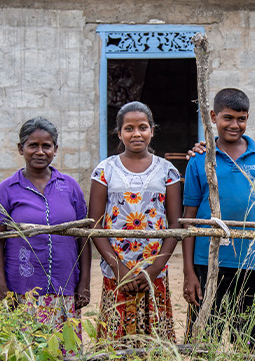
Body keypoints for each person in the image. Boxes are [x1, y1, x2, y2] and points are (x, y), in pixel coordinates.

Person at [182, 88, 255, 346]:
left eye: (241, 118)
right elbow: (189, 218)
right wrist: (189, 272)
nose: (235, 125)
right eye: (228, 118)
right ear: (214, 116)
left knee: (250, 338)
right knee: (205, 338)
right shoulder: (201, 159)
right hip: (207, 261)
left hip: (251, 260)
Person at [0, 117, 91, 352]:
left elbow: (83, 239)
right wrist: (2, 289)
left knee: (66, 350)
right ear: (20, 148)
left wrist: (84, 282)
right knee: (27, 350)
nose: (40, 151)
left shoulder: (70, 186)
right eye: (33, 145)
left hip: (65, 287)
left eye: (47, 146)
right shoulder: (7, 190)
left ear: (55, 149)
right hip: (24, 289)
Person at [88, 101, 182, 343]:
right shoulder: (105, 170)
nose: (136, 133)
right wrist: (119, 270)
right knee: (115, 340)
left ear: (152, 130)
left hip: (154, 271)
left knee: (155, 342)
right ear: (119, 133)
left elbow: (174, 225)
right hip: (116, 269)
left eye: (142, 127)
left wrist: (153, 270)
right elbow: (95, 225)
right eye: (129, 128)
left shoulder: (167, 171)